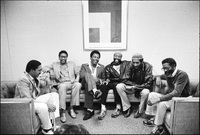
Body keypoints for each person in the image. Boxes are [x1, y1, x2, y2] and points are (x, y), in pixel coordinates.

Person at [142, 58, 190, 135]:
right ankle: (154, 118)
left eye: (167, 68)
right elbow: (157, 75)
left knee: (162, 104)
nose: (165, 70)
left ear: (174, 66)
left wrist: (159, 99)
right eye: (163, 68)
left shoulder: (182, 75)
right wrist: (158, 77)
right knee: (152, 94)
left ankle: (158, 127)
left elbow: (176, 93)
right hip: (171, 98)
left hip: (180, 100)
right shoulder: (168, 74)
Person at [14, 60, 59, 134]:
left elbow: (43, 87)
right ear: (32, 70)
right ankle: (46, 129)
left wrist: (47, 81)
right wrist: (46, 105)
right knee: (43, 106)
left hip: (33, 100)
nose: (40, 72)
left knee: (54, 95)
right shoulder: (23, 79)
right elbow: (27, 99)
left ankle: (52, 124)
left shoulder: (34, 76)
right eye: (39, 70)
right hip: (24, 104)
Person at [43, 50, 81, 123]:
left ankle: (71, 108)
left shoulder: (72, 64)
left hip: (71, 82)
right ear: (59, 57)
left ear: (67, 57)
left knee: (78, 85)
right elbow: (43, 68)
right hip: (61, 83)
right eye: (61, 57)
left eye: (65, 57)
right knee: (62, 86)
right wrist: (51, 71)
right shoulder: (54, 64)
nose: (63, 58)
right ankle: (62, 111)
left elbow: (77, 73)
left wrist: (76, 80)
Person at [116, 53, 153, 118]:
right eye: (134, 63)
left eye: (137, 63)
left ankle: (140, 110)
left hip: (142, 87)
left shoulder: (147, 66)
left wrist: (137, 87)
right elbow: (124, 79)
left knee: (146, 92)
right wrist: (133, 86)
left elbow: (148, 83)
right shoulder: (130, 65)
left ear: (142, 61)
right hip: (132, 86)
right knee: (119, 86)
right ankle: (128, 107)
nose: (135, 65)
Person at [97, 52, 131, 120]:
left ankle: (118, 107)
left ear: (121, 58)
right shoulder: (108, 67)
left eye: (119, 57)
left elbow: (135, 62)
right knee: (103, 86)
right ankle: (103, 108)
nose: (117, 58)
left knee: (117, 86)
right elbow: (105, 76)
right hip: (111, 82)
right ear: (113, 57)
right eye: (115, 56)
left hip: (120, 82)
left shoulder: (125, 64)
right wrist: (106, 80)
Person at [79, 50, 105, 120]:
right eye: (94, 57)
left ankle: (90, 110)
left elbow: (103, 79)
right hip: (85, 82)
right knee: (87, 75)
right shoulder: (84, 66)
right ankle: (95, 91)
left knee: (88, 86)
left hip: (96, 84)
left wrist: (99, 80)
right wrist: (91, 77)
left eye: (98, 57)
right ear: (90, 57)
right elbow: (82, 76)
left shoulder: (102, 67)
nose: (96, 59)